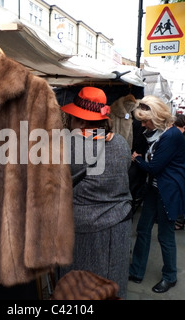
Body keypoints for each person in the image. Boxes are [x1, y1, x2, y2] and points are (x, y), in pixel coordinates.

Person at [57, 86, 133, 299]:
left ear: (80, 120)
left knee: (81, 289)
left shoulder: (73, 145)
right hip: (119, 225)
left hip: (86, 230)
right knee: (112, 285)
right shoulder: (120, 143)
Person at [128, 95, 185, 293]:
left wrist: (137, 159)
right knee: (144, 230)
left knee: (165, 235)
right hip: (156, 189)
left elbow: (153, 167)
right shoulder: (161, 134)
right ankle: (137, 271)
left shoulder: (171, 136)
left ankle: (170, 276)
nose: (144, 124)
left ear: (157, 116)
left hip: (168, 191)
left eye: (146, 120)